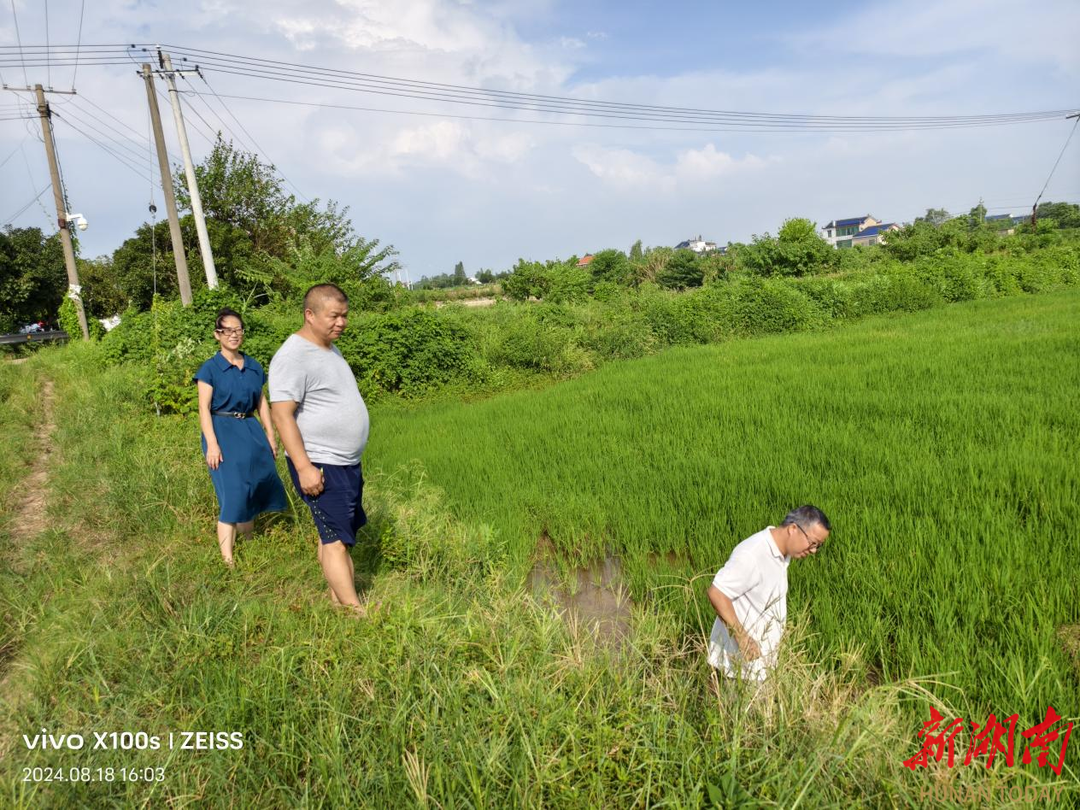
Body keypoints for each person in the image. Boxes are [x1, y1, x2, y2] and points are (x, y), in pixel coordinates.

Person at [269, 283, 371, 612]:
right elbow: (281, 415)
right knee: (335, 541)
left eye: (344, 316)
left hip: (344, 462)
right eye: (334, 316)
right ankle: (356, 612)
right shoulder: (293, 356)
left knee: (333, 536)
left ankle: (336, 602)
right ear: (309, 315)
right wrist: (304, 468)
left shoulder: (328, 347)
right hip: (320, 464)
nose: (341, 322)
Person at [194, 308, 288, 566]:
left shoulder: (253, 366)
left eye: (238, 330)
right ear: (217, 334)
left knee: (254, 484)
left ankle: (250, 544)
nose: (234, 335)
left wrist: (270, 435)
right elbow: (203, 408)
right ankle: (228, 560)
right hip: (222, 431)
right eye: (228, 331)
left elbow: (261, 402)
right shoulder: (210, 369)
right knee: (233, 491)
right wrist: (212, 444)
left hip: (249, 428)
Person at [706, 505, 831, 682]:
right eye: (813, 543)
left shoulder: (782, 554)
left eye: (818, 546)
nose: (813, 551)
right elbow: (717, 593)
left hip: (760, 668)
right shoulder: (753, 553)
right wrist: (742, 637)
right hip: (738, 670)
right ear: (793, 529)